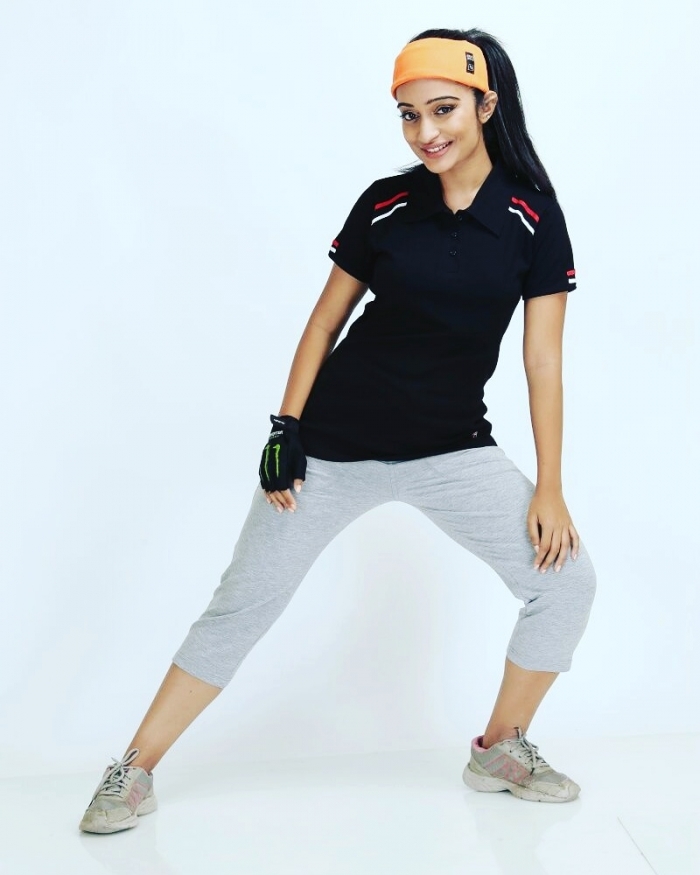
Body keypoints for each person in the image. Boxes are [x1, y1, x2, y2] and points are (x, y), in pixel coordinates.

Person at [79, 28, 596, 834]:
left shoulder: (532, 217)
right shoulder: (386, 204)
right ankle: (133, 768)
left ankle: (500, 747)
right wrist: (285, 427)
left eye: (444, 110)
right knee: (238, 607)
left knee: (565, 582)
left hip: (451, 448)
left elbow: (543, 360)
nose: (426, 131)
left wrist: (552, 486)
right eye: (409, 114)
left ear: (486, 105)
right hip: (330, 446)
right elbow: (324, 322)